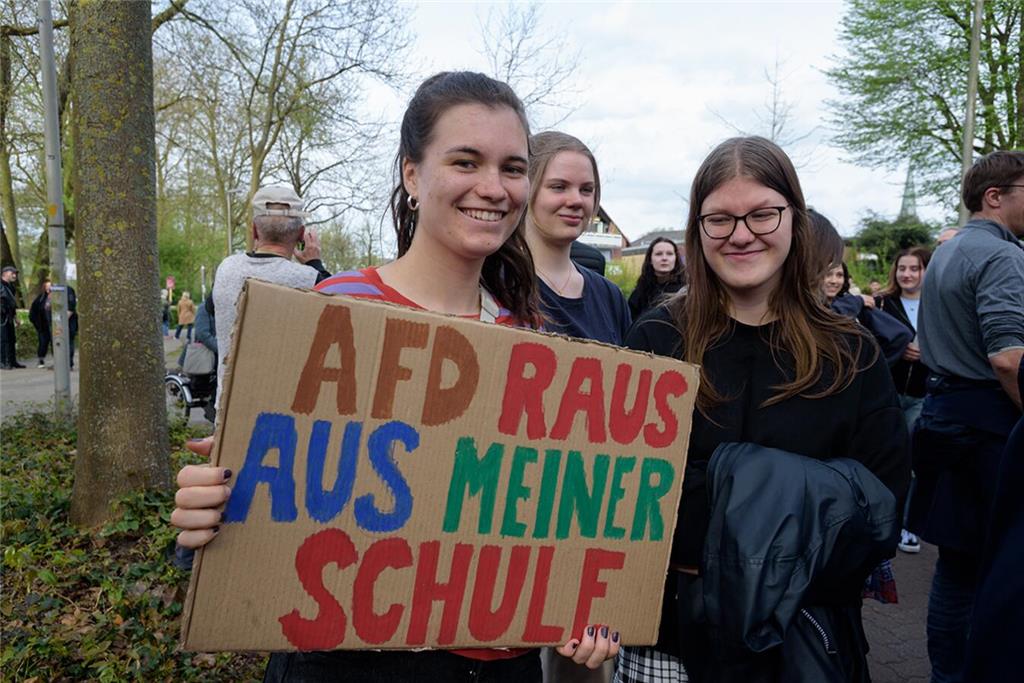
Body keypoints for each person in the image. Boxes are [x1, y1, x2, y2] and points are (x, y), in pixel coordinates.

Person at [172, 71, 618, 682]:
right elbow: (271, 495)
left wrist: (584, 617)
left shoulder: (536, 343)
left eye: (513, 168)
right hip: (345, 661)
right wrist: (210, 508)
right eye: (466, 161)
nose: (493, 187)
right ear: (412, 174)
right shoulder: (332, 310)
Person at [621, 137, 908, 682]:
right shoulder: (657, 338)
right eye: (720, 219)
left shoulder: (850, 351)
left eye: (762, 214)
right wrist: (796, 498)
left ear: (794, 220)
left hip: (803, 637)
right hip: (669, 640)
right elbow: (627, 491)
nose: (742, 234)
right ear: (696, 229)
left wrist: (721, 486)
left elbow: (880, 505)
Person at [910, 150, 1024, 683]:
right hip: (989, 427)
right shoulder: (1003, 258)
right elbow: (1008, 357)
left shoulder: (948, 253)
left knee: (955, 567)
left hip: (944, 417)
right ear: (994, 197)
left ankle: (947, 674)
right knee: (999, 566)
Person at [211, 184, 330, 407]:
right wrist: (315, 263)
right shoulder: (310, 280)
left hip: (227, 413)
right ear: (301, 235)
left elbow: (211, 307)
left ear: (255, 231)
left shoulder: (226, 269)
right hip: (284, 416)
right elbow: (341, 308)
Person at [525, 130, 631, 346]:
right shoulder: (495, 284)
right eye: (558, 187)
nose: (576, 200)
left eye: (586, 189)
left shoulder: (610, 297)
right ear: (526, 189)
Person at [875, 246, 932, 554]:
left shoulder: (937, 303)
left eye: (914, 268)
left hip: (923, 393)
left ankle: (908, 524)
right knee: (883, 456)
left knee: (911, 459)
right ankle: (880, 519)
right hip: (888, 391)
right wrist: (900, 351)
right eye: (902, 269)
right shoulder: (883, 303)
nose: (907, 274)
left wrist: (929, 351)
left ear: (925, 271)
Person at [28, 278, 79, 370]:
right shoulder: (47, 295)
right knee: (57, 343)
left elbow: (71, 307)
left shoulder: (68, 290)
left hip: (66, 324)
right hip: (54, 324)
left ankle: (68, 364)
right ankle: (59, 363)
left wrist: (61, 322)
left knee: (67, 342)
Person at [628, 237, 685, 319]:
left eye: (669, 254)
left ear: (676, 258)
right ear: (650, 259)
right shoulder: (640, 292)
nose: (664, 258)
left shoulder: (686, 290)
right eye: (659, 254)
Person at [1, 265, 23, 369]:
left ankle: (12, 361)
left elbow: (12, 304)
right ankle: (3, 362)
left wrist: (15, 317)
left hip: (8, 316)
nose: (14, 275)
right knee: (3, 339)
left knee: (11, 339)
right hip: (1, 316)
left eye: (15, 273)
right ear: (4, 274)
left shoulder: (11, 287)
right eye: (12, 273)